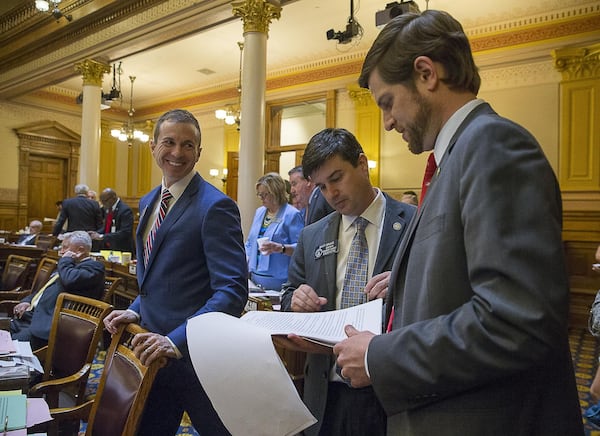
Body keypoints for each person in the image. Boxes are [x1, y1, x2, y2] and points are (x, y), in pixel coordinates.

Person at [332, 10, 583, 435]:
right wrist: (409, 281)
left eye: (388, 103)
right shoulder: (454, 159)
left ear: (426, 73)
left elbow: (516, 321)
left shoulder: (493, 144)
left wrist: (379, 356)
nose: (388, 121)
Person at [103, 109, 248, 435]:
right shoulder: (149, 200)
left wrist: (176, 340)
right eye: (169, 142)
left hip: (195, 359)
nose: (178, 152)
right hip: (150, 352)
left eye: (188, 145)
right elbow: (155, 277)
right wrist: (134, 310)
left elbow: (233, 291)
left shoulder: (216, 206)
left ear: (198, 151)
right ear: (153, 146)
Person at [280, 128, 416, 436]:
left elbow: (436, 298)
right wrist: (296, 300)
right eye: (322, 187)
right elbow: (289, 294)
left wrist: (403, 284)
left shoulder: (413, 224)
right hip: (326, 393)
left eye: (337, 178)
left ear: (363, 164)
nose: (332, 194)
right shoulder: (311, 235)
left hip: (388, 390)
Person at [11, 231, 104, 350]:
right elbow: (45, 289)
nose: (61, 252)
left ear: (80, 250)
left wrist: (65, 260)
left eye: (65, 247)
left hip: (48, 327)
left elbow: (69, 280)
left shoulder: (94, 267)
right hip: (30, 318)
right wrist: (27, 300)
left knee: (9, 348)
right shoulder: (69, 266)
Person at [245, 172, 303, 290]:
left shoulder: (291, 214)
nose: (261, 198)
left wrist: (280, 248)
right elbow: (250, 242)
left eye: (264, 194)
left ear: (275, 192)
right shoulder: (260, 212)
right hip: (254, 277)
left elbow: (301, 248)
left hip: (279, 280)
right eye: (259, 194)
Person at [89, 188, 135, 253]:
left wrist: (102, 236)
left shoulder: (125, 210)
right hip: (109, 247)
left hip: (121, 248)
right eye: (101, 201)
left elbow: (125, 232)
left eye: (105, 201)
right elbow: (107, 227)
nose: (103, 204)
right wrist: (96, 234)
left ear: (113, 198)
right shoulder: (108, 208)